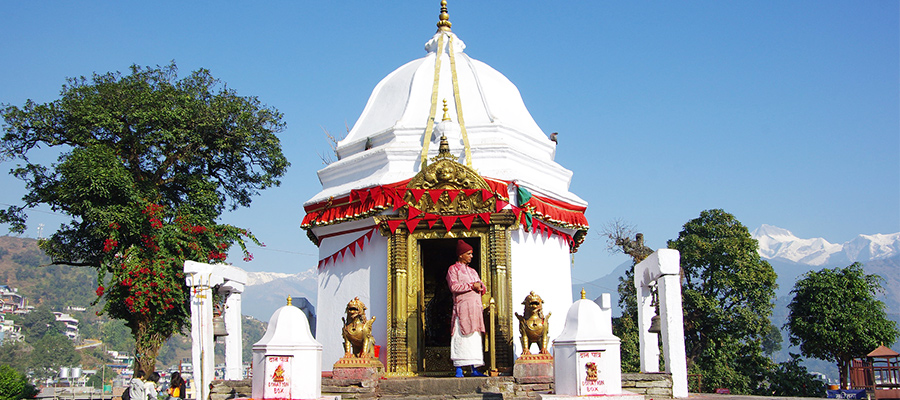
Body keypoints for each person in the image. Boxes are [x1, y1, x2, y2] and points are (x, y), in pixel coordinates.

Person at [446, 239, 487, 378]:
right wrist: (471, 286)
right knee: (461, 336)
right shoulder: (453, 269)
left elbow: (481, 286)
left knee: (474, 338)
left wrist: (480, 287)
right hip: (462, 310)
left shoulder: (473, 271)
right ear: (461, 255)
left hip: (475, 310)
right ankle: (459, 368)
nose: (471, 256)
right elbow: (454, 287)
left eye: (471, 253)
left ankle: (474, 368)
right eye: (469, 253)